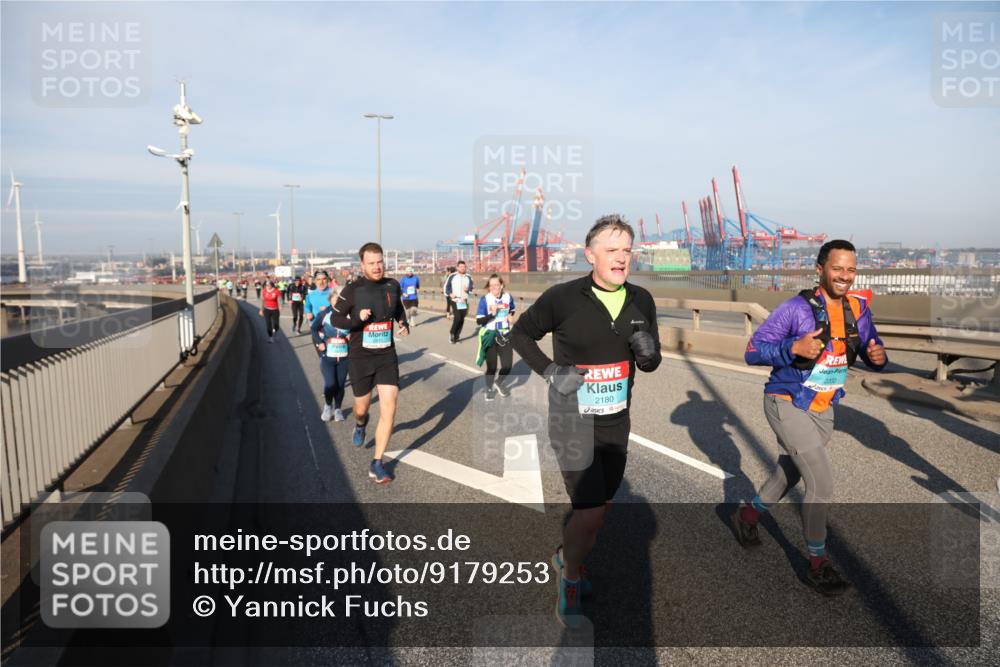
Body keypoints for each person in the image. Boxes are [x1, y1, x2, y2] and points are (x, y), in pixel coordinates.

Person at [511, 215, 661, 627]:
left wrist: (649, 356)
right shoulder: (563, 297)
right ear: (590, 254)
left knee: (601, 508)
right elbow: (520, 334)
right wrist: (550, 371)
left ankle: (564, 556)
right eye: (612, 250)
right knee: (591, 512)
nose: (621, 258)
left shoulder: (641, 300)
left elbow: (652, 359)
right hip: (571, 421)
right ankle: (571, 579)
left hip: (616, 420)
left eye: (627, 250)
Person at [733, 239, 888, 597]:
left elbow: (871, 348)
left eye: (850, 269)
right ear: (820, 269)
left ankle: (749, 516)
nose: (845, 276)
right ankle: (817, 564)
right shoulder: (794, 309)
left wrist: (878, 357)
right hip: (786, 400)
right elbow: (753, 351)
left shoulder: (858, 310)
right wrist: (793, 348)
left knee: (790, 471)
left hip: (824, 406)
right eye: (837, 268)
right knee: (821, 482)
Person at [327, 243, 410, 484]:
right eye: (371, 263)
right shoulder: (353, 290)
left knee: (390, 405)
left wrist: (403, 324)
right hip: (361, 357)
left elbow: (398, 311)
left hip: (386, 356)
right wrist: (356, 318)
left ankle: (377, 463)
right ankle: (361, 425)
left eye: (380, 262)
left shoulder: (393, 285)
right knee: (361, 409)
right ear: (362, 265)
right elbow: (335, 317)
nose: (377, 267)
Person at [311, 288, 351, 422]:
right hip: (328, 356)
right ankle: (328, 406)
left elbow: (357, 330)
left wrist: (352, 336)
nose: (338, 302)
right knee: (331, 384)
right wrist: (319, 343)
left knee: (340, 385)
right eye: (336, 299)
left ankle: (338, 409)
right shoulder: (324, 314)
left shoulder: (350, 314)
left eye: (341, 300)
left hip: (344, 356)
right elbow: (314, 328)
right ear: (331, 300)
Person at [475, 274, 515, 400]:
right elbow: (479, 321)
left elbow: (512, 309)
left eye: (496, 285)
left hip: (504, 334)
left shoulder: (508, 297)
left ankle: (499, 382)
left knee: (507, 365)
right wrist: (492, 315)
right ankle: (488, 388)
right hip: (490, 335)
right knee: (492, 367)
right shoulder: (485, 300)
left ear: (501, 285)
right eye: (491, 285)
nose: (493, 288)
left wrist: (510, 316)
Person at [445, 261, 474, 344]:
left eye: (464, 267)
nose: (463, 268)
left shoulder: (468, 277)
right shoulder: (452, 276)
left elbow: (472, 287)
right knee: (457, 318)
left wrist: (468, 289)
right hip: (455, 300)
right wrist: (450, 293)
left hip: (464, 301)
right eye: (461, 267)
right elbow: (446, 287)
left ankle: (456, 337)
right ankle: (452, 333)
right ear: (457, 267)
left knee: (461, 319)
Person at [259, 280, 282, 344]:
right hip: (267, 310)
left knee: (276, 324)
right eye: (266, 285)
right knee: (268, 324)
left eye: (268, 285)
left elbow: (279, 299)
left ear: (272, 285)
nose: (267, 286)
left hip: (275, 309)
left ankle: (275, 331)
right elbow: (263, 301)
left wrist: (280, 306)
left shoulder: (276, 291)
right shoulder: (264, 291)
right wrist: (261, 309)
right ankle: (270, 337)